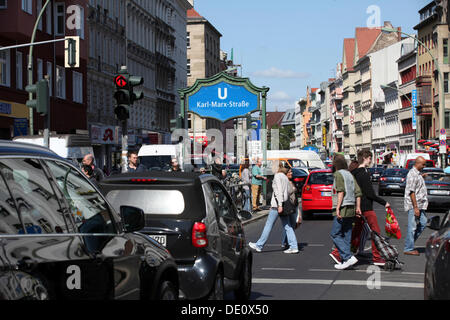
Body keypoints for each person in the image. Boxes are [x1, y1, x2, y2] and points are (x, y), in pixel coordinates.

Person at [331, 150, 390, 266]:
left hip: (355, 207)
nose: (370, 161)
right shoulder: (363, 173)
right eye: (370, 159)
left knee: (355, 232)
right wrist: (384, 202)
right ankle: (377, 257)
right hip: (366, 207)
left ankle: (340, 253)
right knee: (375, 232)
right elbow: (369, 193)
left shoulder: (354, 172)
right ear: (365, 158)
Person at [249, 162, 299, 254]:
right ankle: (294, 246)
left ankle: (259, 245)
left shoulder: (277, 176)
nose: (270, 168)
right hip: (283, 204)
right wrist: (283, 201)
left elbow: (278, 191)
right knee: (287, 226)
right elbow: (289, 190)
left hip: (277, 205)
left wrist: (279, 204)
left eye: (272, 166)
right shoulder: (284, 176)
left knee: (269, 225)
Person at [330, 154, 362, 270]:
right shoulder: (349, 174)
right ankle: (345, 260)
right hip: (351, 207)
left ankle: (348, 257)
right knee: (346, 234)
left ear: (335, 165)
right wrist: (358, 207)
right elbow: (358, 192)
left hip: (343, 207)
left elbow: (341, 191)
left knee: (335, 233)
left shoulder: (338, 174)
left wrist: (337, 207)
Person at [404, 156, 428, 256]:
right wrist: (415, 207)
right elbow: (411, 192)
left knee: (423, 222)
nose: (424, 166)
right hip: (414, 205)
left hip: (420, 204)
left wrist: (422, 177)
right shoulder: (412, 174)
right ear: (417, 163)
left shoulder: (417, 174)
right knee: (412, 227)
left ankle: (410, 243)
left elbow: (416, 184)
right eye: (423, 164)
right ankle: (408, 248)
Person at [281, 168, 301, 249]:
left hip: (294, 206)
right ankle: (287, 243)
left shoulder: (292, 182)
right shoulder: (284, 183)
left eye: (291, 171)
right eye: (289, 172)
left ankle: (286, 242)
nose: (291, 173)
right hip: (288, 206)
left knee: (293, 225)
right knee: (289, 226)